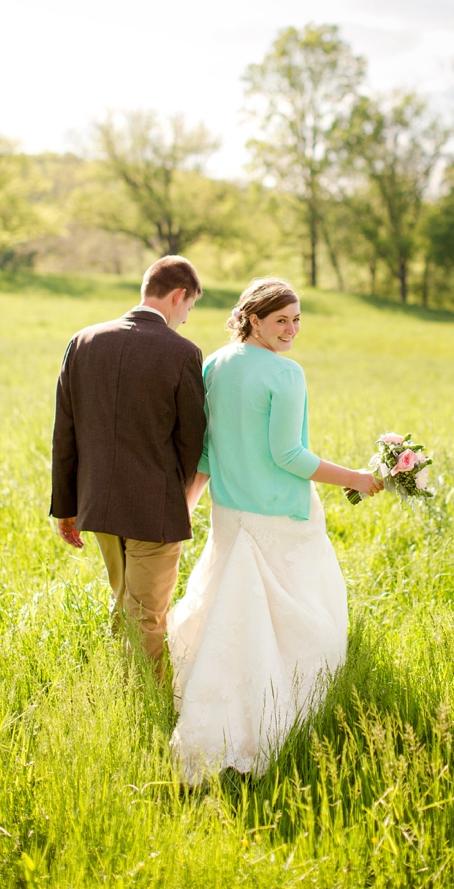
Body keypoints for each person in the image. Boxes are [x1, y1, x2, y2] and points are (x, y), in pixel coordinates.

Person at [167, 276, 381, 782]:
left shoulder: (214, 363)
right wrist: (356, 479)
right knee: (306, 622)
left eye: (297, 319)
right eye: (281, 320)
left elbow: (206, 448)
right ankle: (284, 718)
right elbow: (288, 454)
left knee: (226, 612)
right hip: (279, 516)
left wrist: (187, 503)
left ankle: (216, 707)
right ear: (253, 319)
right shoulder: (286, 375)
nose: (291, 330)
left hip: (230, 512)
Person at [50, 255, 206, 674]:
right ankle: (149, 706)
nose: (186, 319)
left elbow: (65, 433)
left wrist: (66, 507)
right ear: (178, 295)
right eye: (189, 307)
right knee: (147, 618)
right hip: (154, 510)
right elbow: (193, 441)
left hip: (97, 506)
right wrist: (177, 494)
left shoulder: (82, 341)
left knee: (125, 608)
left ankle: (121, 697)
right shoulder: (184, 353)